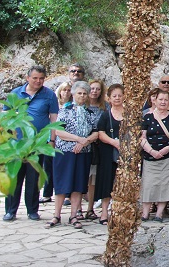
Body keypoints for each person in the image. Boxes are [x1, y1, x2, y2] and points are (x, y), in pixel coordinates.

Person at [4, 65, 59, 222]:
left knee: (33, 179)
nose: (38, 81)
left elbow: (54, 120)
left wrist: (52, 140)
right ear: (28, 78)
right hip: (16, 145)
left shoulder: (49, 95)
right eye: (35, 78)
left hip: (37, 145)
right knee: (14, 178)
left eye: (41, 78)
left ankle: (32, 211)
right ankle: (10, 210)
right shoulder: (15, 94)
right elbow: (5, 118)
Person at [46, 82, 96, 229]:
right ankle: (56, 215)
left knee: (78, 184)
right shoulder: (65, 110)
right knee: (62, 183)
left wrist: (85, 142)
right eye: (79, 93)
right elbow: (59, 131)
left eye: (84, 93)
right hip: (65, 152)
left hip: (83, 152)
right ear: (73, 94)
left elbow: (95, 131)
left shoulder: (89, 113)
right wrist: (77, 139)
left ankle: (74, 215)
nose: (82, 96)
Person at [140, 89, 169, 222]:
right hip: (150, 156)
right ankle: (145, 213)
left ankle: (159, 213)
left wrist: (167, 149)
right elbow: (142, 137)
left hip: (168, 156)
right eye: (160, 99)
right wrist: (151, 151)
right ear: (154, 100)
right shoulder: (147, 117)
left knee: (166, 184)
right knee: (148, 184)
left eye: (166, 99)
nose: (163, 102)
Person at [96, 83, 125, 225]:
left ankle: (119, 212)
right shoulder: (105, 115)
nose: (117, 98)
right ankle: (104, 212)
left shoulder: (129, 114)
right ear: (109, 98)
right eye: (114, 96)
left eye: (120, 95)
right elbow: (100, 133)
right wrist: (114, 143)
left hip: (125, 154)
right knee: (106, 182)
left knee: (122, 183)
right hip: (108, 152)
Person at [83, 79, 107, 221]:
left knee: (93, 178)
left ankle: (90, 208)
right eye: (92, 88)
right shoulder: (81, 106)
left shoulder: (105, 107)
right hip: (82, 144)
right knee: (82, 177)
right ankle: (78, 208)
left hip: (98, 146)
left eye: (98, 89)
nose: (94, 91)